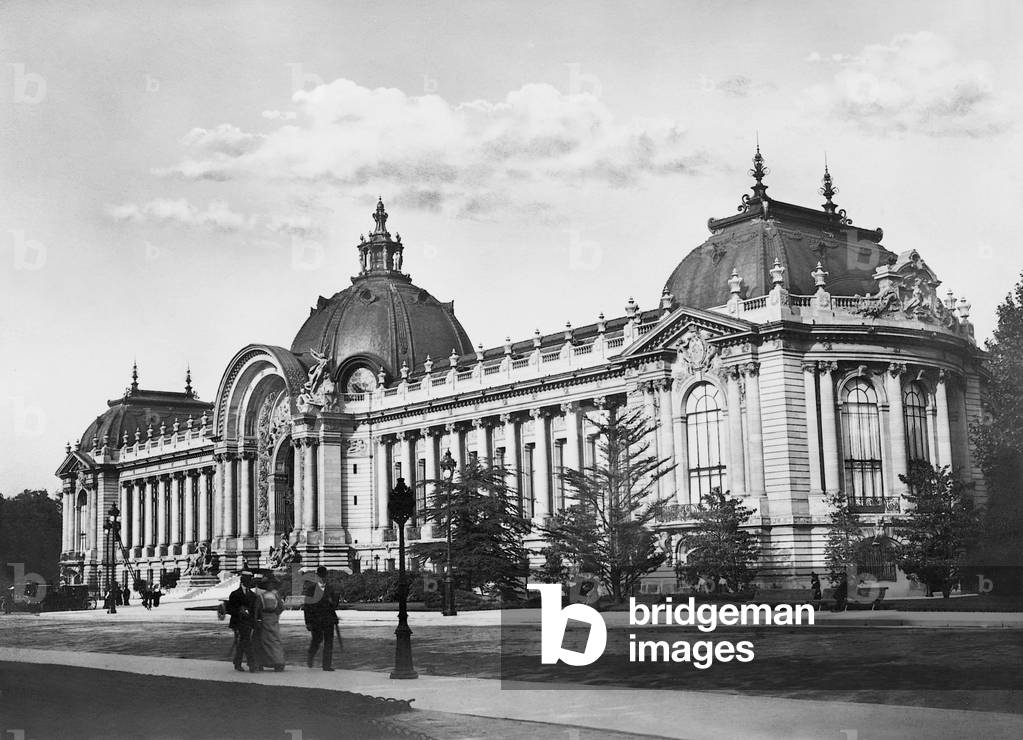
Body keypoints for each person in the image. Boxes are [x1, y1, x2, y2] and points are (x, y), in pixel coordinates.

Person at [303, 566, 340, 671]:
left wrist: (333, 601)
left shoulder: (330, 589)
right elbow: (307, 607)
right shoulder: (311, 590)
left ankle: (326, 665)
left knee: (329, 642)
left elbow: (335, 605)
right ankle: (311, 655)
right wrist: (308, 622)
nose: (323, 578)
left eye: (324, 576)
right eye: (321, 576)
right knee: (317, 640)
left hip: (328, 619)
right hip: (316, 620)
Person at [226, 571, 259, 672]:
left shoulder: (253, 595)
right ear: (242, 581)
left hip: (249, 622)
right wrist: (239, 610)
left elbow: (255, 610)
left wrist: (256, 620)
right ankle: (252, 664)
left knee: (242, 642)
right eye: (247, 580)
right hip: (238, 622)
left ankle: (237, 661)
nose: (249, 582)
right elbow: (229, 609)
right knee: (247, 642)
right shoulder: (235, 594)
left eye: (250, 580)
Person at [254, 573, 286, 672]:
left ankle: (278, 662)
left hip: (273, 619)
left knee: (275, 641)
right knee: (265, 641)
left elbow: (281, 607)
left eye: (271, 584)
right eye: (268, 584)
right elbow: (257, 609)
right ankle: (266, 662)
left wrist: (276, 613)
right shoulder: (261, 596)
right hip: (264, 619)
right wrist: (256, 619)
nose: (270, 585)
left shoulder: (276, 595)